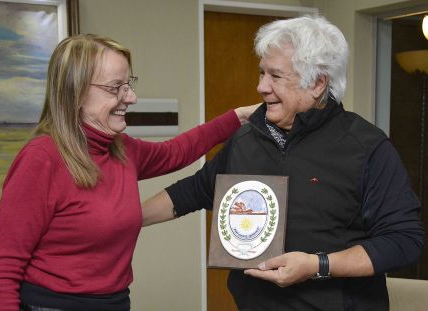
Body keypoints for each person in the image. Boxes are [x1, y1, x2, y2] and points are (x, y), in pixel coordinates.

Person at [142, 15, 425, 310]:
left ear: (317, 83)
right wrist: (124, 219)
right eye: (261, 73)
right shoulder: (246, 138)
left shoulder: (367, 147)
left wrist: (319, 265)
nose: (261, 86)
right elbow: (193, 191)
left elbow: (403, 241)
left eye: (275, 76)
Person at [0, 34, 258, 311]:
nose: (131, 97)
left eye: (128, 85)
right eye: (116, 87)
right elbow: (4, 269)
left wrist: (239, 117)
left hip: (115, 302)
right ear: (75, 92)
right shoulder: (41, 159)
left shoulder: (120, 149)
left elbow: (176, 152)